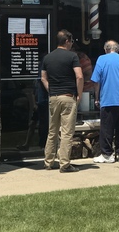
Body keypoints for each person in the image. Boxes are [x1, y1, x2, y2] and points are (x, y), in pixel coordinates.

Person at [42, 29, 84, 173]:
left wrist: (51, 90)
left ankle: (48, 162)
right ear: (67, 41)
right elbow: (79, 76)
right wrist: (79, 94)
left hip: (53, 97)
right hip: (67, 96)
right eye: (71, 41)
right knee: (66, 132)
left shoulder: (47, 57)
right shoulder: (72, 56)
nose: (72, 44)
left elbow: (43, 77)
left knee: (52, 130)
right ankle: (64, 164)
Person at [91, 40, 119, 164]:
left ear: (106, 49)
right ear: (117, 49)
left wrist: (97, 97)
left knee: (107, 128)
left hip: (108, 98)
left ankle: (107, 154)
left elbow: (96, 81)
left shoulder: (101, 59)